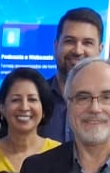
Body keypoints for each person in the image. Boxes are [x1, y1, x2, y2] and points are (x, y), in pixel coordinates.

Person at [41, 8, 105, 142]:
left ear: (100, 50)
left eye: (87, 43)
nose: (78, 51)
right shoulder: (30, 101)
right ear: (56, 46)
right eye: (69, 41)